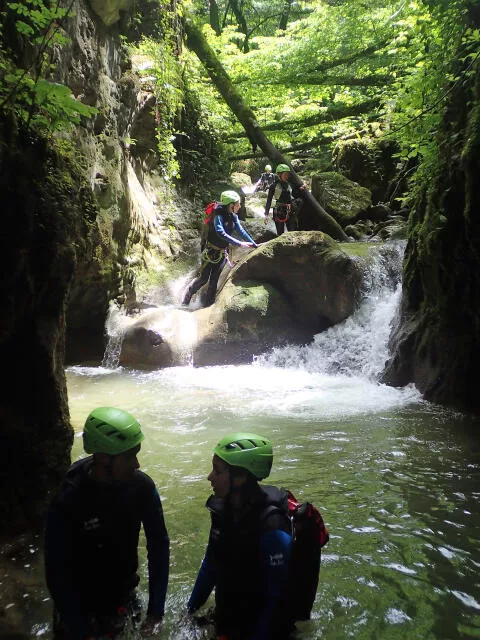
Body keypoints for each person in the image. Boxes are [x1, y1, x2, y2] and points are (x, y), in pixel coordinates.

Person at [44, 407, 170, 640]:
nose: (137, 464)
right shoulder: (69, 498)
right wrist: (82, 632)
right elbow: (56, 572)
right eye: (129, 457)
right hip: (78, 601)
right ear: (103, 458)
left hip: (122, 593)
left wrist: (155, 613)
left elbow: (159, 548)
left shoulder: (142, 488)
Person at [187, 433, 295, 640]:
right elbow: (211, 565)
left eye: (217, 471)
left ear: (240, 477)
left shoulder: (272, 527)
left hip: (261, 628)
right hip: (229, 617)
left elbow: (275, 598)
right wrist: (189, 611)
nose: (210, 477)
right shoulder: (223, 511)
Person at [182, 190, 258, 307]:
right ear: (231, 205)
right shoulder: (218, 216)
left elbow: (241, 231)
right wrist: (239, 243)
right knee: (204, 279)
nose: (239, 206)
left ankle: (207, 306)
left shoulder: (233, 217)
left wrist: (254, 244)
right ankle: (189, 294)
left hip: (222, 253)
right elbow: (220, 232)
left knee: (214, 281)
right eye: (238, 204)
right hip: (210, 252)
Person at [264, 163, 306, 236]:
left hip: (290, 210)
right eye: (285, 174)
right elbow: (269, 200)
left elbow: (294, 194)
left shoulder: (290, 184)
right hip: (279, 211)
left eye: (288, 174)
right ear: (279, 175)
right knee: (280, 234)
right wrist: (266, 214)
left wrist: (300, 189)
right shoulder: (273, 186)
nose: (287, 176)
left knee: (292, 233)